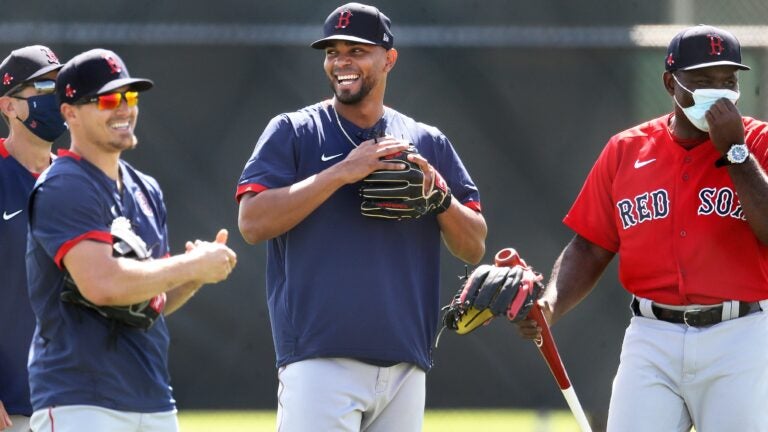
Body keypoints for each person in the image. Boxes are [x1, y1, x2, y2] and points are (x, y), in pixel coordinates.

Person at [236, 3, 487, 431]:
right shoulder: (295, 131)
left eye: (357, 50)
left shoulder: (427, 141)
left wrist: (441, 197)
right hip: (320, 360)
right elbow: (252, 222)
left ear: (389, 58)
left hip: (406, 363)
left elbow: (474, 244)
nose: (341, 62)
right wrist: (340, 172)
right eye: (332, 51)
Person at [516, 25, 768, 431]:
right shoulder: (626, 150)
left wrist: (735, 153)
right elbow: (591, 246)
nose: (719, 92)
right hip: (652, 338)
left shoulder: (757, 142)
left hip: (739, 336)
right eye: (703, 81)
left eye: (728, 81)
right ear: (671, 82)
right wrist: (550, 304)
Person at [26, 48, 237, 432]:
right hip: (81, 399)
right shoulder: (65, 185)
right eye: (107, 99)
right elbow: (102, 285)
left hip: (152, 395)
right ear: (69, 112)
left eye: (130, 96)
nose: (123, 109)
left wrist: (194, 277)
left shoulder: (146, 188)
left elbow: (150, 303)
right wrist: (189, 265)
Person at [0, 45, 66, 432]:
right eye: (42, 87)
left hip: (80, 401)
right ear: (8, 106)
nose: (54, 99)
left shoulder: (79, 181)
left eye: (60, 88)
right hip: (14, 409)